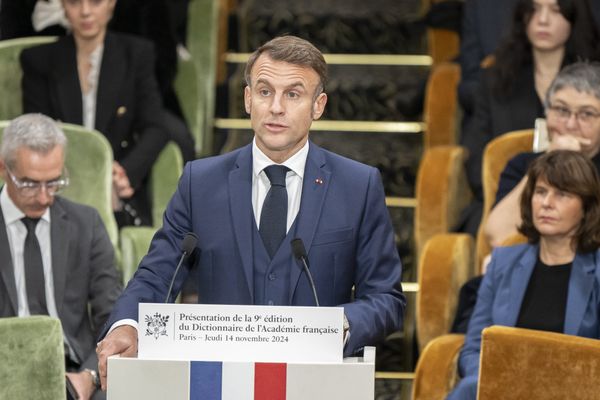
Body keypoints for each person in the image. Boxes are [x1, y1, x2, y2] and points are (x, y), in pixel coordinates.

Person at [95, 35, 406, 390]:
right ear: (247, 99)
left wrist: (342, 325)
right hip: (217, 384)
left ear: (318, 106)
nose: (276, 107)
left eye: (293, 94)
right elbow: (157, 275)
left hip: (316, 385)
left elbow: (387, 298)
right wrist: (127, 325)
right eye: (264, 91)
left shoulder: (358, 186)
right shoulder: (201, 182)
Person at [448, 150, 600, 399]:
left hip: (573, 391)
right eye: (541, 192)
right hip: (504, 388)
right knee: (468, 389)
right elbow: (474, 348)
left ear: (586, 207)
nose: (547, 203)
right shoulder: (503, 262)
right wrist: (498, 379)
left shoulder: (597, 271)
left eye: (562, 194)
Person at [19, 0, 177, 227]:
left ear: (111, 3)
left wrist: (124, 173)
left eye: (95, 2)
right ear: (63, 5)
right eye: (74, 2)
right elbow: (34, 133)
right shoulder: (38, 60)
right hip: (60, 180)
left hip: (116, 182)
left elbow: (155, 127)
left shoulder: (136, 54)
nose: (85, 12)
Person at [0, 113, 122, 400]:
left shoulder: (86, 224)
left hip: (75, 371)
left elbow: (113, 313)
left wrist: (90, 376)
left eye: (54, 183)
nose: (44, 198)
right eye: (30, 184)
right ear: (4, 170)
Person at [458, 0, 600, 235]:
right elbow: (477, 164)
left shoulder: (593, 81)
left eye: (556, 10)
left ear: (574, 18)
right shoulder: (495, 80)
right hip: (508, 193)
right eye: (534, 9)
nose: (543, 20)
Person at [486, 62, 600, 246]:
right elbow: (497, 235)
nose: (571, 124)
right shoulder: (523, 164)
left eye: (586, 113)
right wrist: (550, 159)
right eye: (562, 110)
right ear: (546, 113)